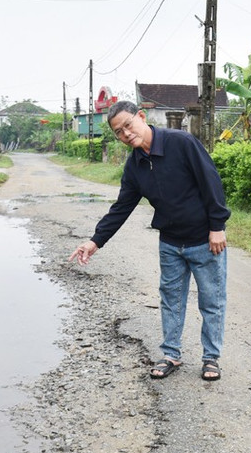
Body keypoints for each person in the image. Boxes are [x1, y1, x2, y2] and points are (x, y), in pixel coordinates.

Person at [68, 101, 230, 381]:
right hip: (170, 244)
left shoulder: (181, 142)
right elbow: (122, 207)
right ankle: (171, 355)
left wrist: (217, 226)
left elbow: (211, 182)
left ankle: (211, 357)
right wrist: (95, 241)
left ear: (141, 117)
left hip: (204, 240)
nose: (126, 134)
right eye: (118, 132)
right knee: (171, 301)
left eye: (128, 125)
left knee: (211, 301)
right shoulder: (135, 166)